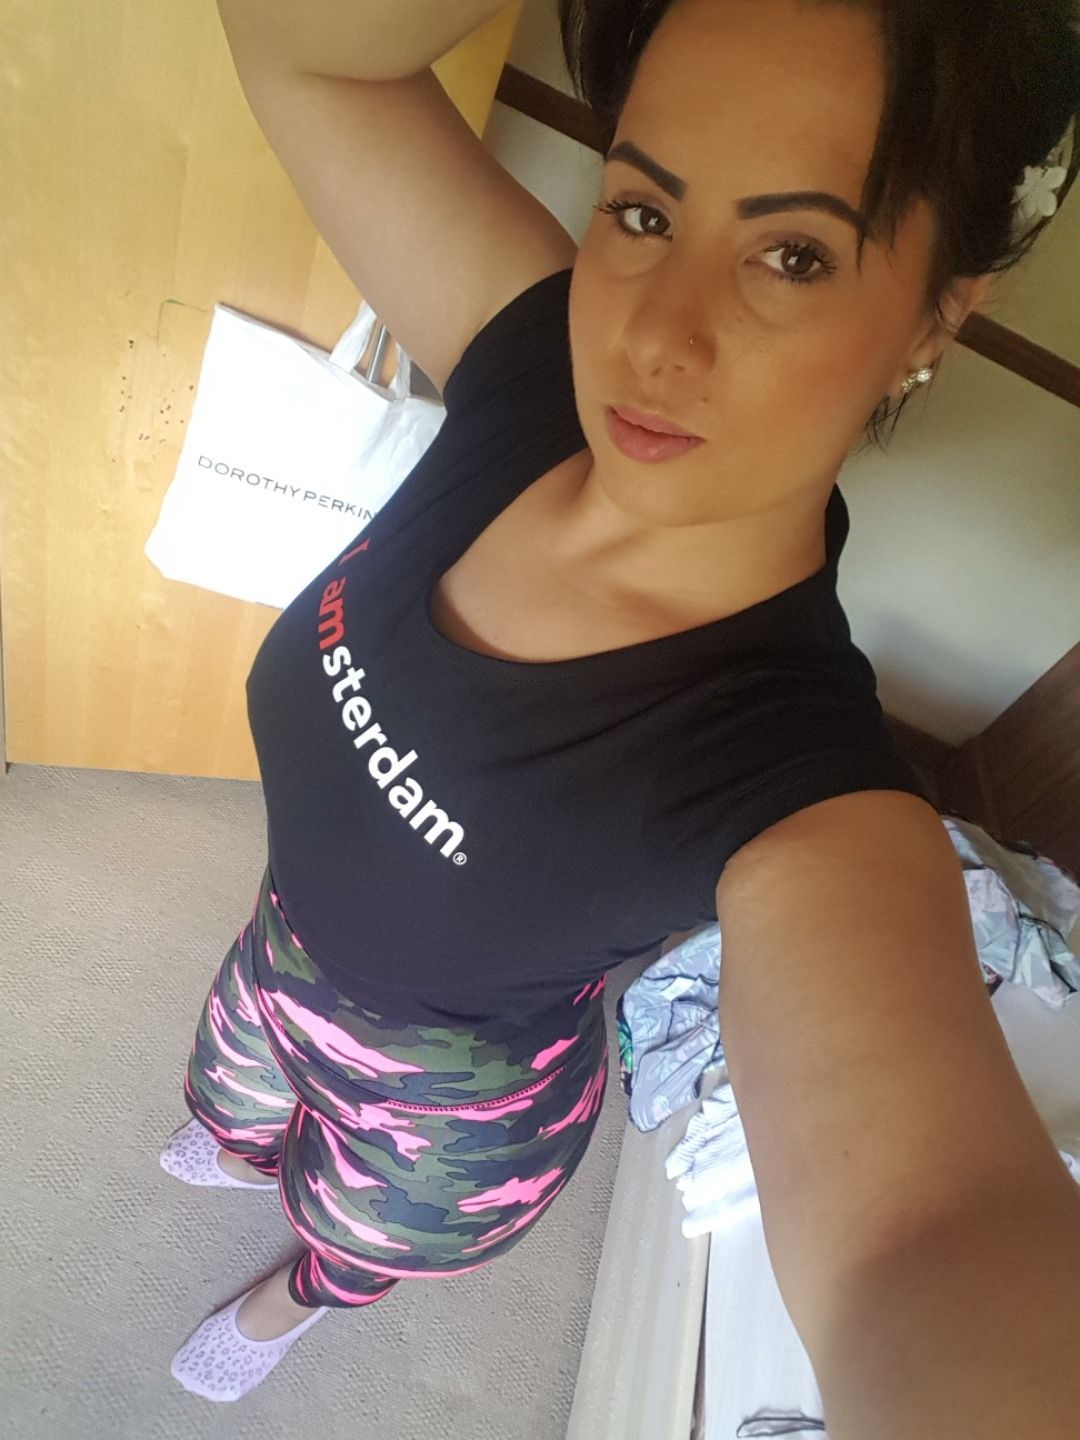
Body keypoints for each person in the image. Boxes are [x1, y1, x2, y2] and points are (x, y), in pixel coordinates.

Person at [160, 0, 1080, 1419]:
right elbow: (301, 41)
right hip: (274, 960)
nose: (653, 337)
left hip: (451, 1127)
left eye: (792, 254)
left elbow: (926, 1246)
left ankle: (303, 1294)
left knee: (354, 1239)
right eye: (643, 211)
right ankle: (241, 1142)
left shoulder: (802, 793)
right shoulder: (530, 355)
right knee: (223, 1108)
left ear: (934, 317)